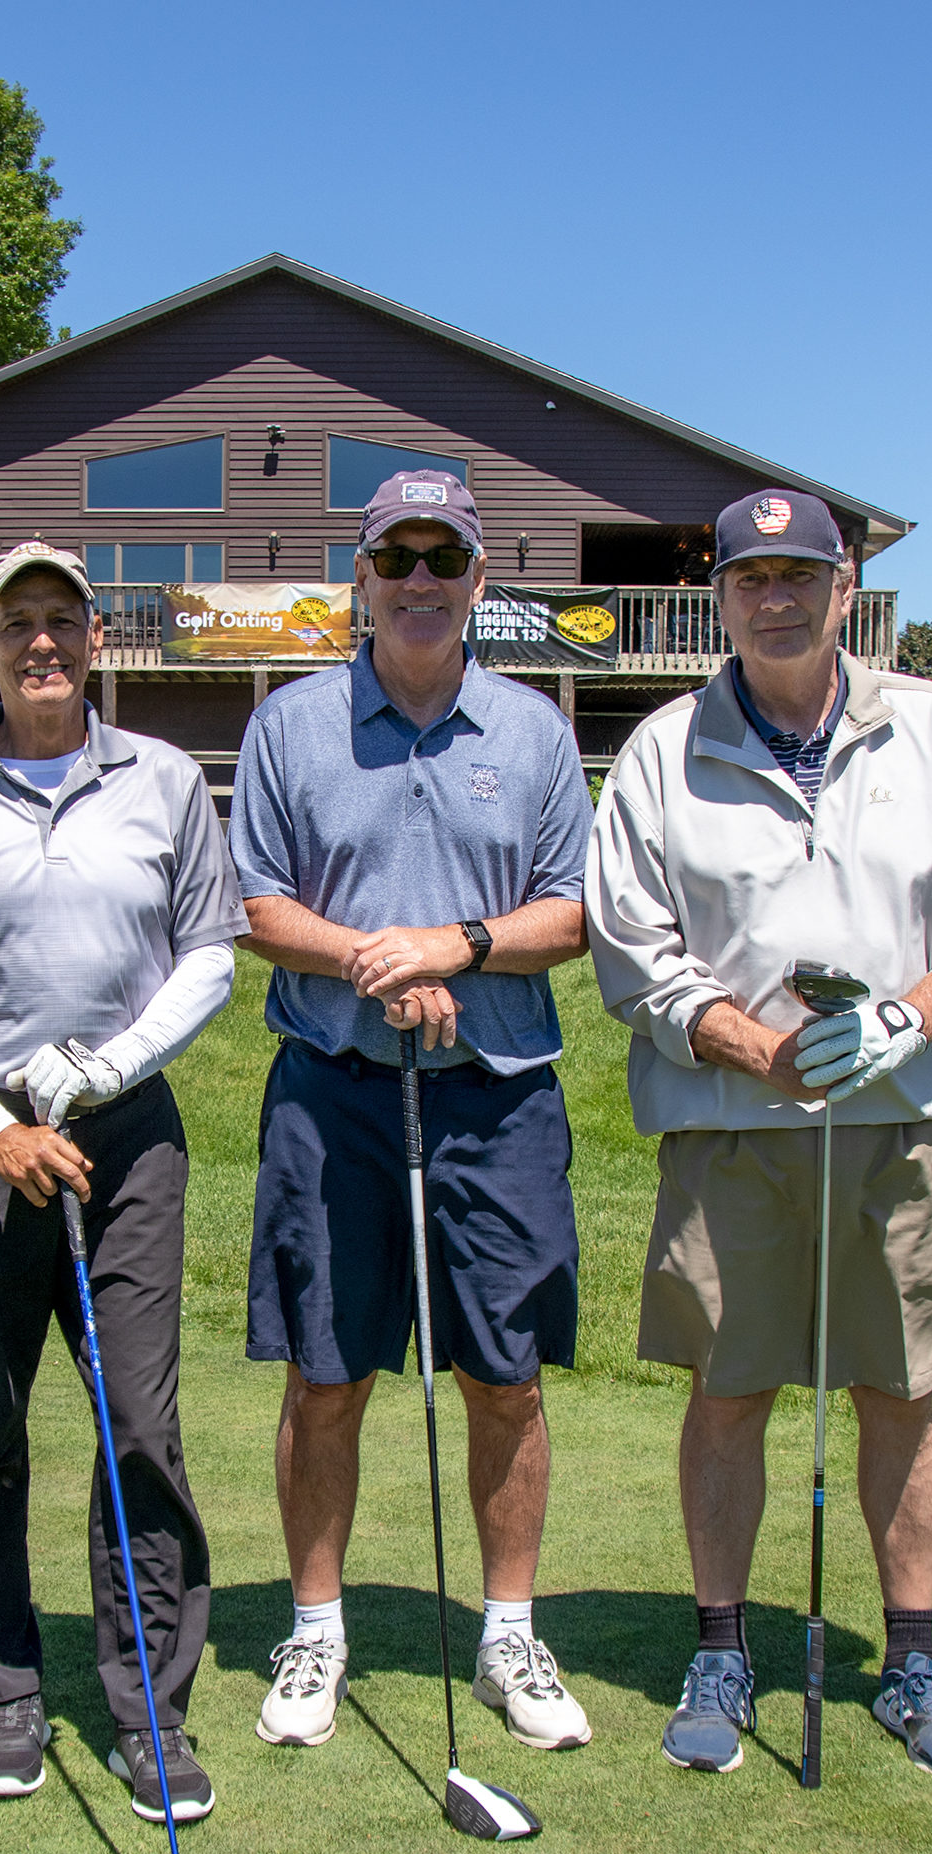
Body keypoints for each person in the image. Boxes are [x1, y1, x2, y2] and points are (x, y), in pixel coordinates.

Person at [586, 488, 932, 1777]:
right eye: (751, 579)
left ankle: (909, 1658)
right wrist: (753, 1046)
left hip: (901, 1120)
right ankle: (719, 1648)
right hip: (731, 1123)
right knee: (728, 1390)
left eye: (800, 575)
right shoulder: (663, 749)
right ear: (718, 599)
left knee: (897, 1389)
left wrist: (907, 1015)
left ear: (843, 589)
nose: (775, 598)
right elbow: (632, 945)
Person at [0, 540, 246, 1824]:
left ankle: (149, 1708)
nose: (41, 641)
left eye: (62, 619)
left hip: (122, 1134)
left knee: (138, 1422)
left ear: (95, 639)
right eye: (15, 620)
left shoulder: (164, 778)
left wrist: (107, 1066)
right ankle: (6, 1688)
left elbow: (208, 954)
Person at [229, 471, 596, 1753]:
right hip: (332, 1095)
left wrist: (454, 944)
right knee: (326, 1371)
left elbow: (571, 910)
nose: (420, 580)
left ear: (479, 581)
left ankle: (508, 1634)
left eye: (445, 558)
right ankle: (315, 1628)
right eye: (397, 558)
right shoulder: (288, 726)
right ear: (364, 578)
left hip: (496, 1098)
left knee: (504, 1374)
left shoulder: (533, 732)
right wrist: (371, 960)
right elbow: (255, 902)